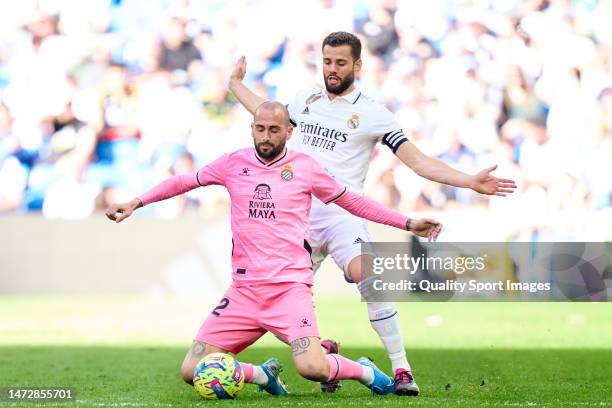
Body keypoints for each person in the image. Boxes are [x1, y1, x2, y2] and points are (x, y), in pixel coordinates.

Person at [228, 31, 517, 395]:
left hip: (342, 215)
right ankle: (325, 353)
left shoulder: (373, 114)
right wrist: (235, 83)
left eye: (341, 63)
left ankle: (401, 369)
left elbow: (417, 161)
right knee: (273, 304)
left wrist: (468, 181)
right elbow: (264, 113)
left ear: (358, 65)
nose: (332, 69)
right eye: (327, 61)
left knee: (371, 277)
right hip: (294, 219)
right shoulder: (304, 100)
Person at [105, 101, 442, 397]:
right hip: (244, 293)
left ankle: (369, 372)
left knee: (313, 368)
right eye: (261, 129)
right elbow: (184, 181)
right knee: (191, 370)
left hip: (288, 291)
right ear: (252, 128)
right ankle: (262, 374)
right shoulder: (232, 164)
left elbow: (352, 202)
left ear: (288, 132)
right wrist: (137, 201)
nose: (266, 136)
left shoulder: (305, 169)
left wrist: (407, 223)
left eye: (274, 130)